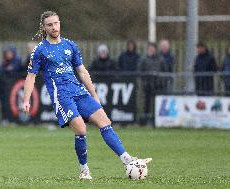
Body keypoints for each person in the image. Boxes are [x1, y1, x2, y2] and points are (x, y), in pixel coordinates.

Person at [23, 11, 152, 180]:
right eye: (50, 25)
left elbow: (82, 71)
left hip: (79, 91)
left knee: (105, 122)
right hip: (62, 96)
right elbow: (31, 76)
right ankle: (84, 170)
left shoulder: (70, 45)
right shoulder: (40, 51)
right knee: (81, 129)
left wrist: (94, 94)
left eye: (56, 23)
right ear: (44, 27)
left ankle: (127, 160)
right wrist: (26, 99)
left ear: (60, 23)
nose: (54, 27)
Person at [138, 42, 167, 125]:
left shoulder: (160, 59)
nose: (151, 50)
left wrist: (160, 80)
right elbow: (140, 70)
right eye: (150, 48)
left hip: (158, 85)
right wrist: (144, 80)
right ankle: (146, 120)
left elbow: (164, 71)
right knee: (146, 103)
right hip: (147, 84)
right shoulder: (144, 59)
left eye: (153, 48)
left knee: (156, 103)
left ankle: (156, 120)